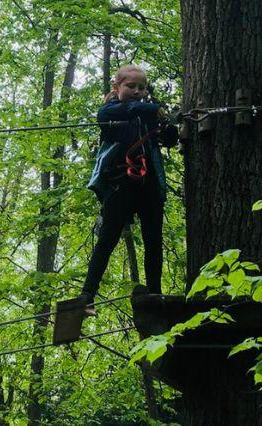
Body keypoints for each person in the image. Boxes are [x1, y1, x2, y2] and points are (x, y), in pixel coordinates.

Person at [81, 65, 176, 316]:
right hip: (120, 184)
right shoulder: (109, 111)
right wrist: (154, 109)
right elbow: (131, 109)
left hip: (149, 186)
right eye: (130, 86)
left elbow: (167, 139)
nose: (137, 92)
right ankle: (87, 296)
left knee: (153, 240)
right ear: (117, 88)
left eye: (141, 87)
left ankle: (155, 293)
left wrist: (169, 129)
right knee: (107, 240)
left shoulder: (148, 115)